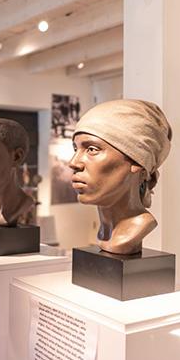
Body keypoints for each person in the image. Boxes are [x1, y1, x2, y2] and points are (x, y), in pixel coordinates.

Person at [68, 99, 172, 255]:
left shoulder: (137, 228)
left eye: (92, 149)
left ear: (137, 160)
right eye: (76, 149)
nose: (73, 163)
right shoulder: (106, 234)